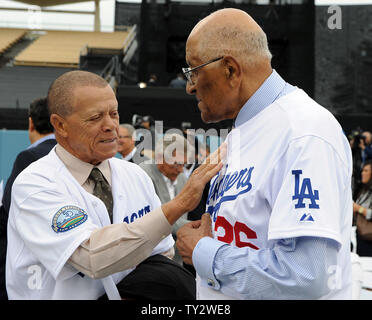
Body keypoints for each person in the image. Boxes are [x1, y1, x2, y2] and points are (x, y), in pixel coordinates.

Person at [176, 8, 353, 300]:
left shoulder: (303, 132)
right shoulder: (247, 129)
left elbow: (306, 276)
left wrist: (204, 252)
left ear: (230, 70)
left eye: (193, 70)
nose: (189, 86)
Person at [6, 70, 224, 300]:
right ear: (60, 125)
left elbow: (162, 253)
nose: (111, 126)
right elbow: (91, 257)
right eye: (95, 117)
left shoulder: (134, 176)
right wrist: (179, 205)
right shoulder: (35, 184)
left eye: (114, 113)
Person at [0, 96, 56, 300]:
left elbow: (8, 211)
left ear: (30, 122)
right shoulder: (71, 155)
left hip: (32, 262)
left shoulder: (28, 157)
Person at [139, 133, 190, 258]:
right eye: (177, 164)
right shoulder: (143, 175)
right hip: (152, 255)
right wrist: (193, 227)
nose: (181, 170)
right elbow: (158, 218)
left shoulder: (182, 178)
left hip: (178, 255)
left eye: (184, 164)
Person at [353, 160, 372, 257]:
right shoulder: (363, 190)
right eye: (362, 170)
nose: (362, 173)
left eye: (366, 171)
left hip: (369, 238)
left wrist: (358, 209)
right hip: (360, 235)